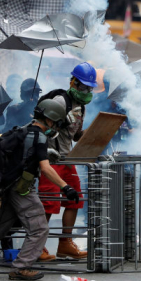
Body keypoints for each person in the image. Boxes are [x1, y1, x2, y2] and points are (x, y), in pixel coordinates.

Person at [0, 99, 79, 280]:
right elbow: (47, 169)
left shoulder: (22, 131)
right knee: (40, 229)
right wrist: (66, 187)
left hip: (9, 186)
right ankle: (21, 267)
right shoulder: (40, 137)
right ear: (49, 120)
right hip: (22, 188)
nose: (55, 128)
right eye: (56, 123)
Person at [36, 62, 97, 261]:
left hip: (67, 159)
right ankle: (37, 247)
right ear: (73, 83)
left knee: (75, 199)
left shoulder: (82, 107)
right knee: (48, 203)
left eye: (90, 88)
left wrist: (92, 131)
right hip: (51, 159)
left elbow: (75, 136)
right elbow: (41, 126)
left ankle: (65, 243)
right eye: (83, 87)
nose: (87, 91)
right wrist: (58, 124)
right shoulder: (60, 101)